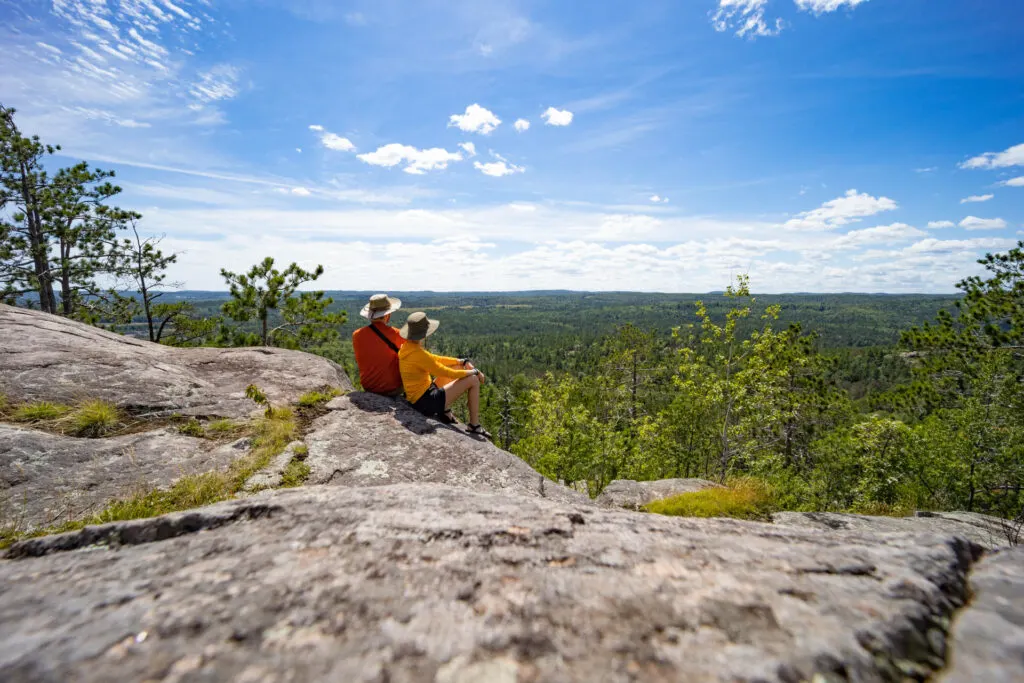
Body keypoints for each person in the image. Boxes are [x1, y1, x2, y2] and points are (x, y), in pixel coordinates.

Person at [398, 311, 492, 438]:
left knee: (458, 366)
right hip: (425, 402)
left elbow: (435, 358)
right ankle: (474, 425)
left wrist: (461, 361)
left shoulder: (407, 348)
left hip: (419, 397)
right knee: (474, 380)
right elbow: (447, 373)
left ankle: (444, 410)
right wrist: (475, 372)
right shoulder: (418, 354)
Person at [352, 293, 405, 396]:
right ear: (387, 315)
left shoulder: (356, 335)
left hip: (368, 387)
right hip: (393, 388)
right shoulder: (398, 334)